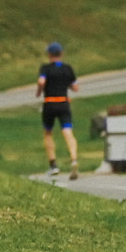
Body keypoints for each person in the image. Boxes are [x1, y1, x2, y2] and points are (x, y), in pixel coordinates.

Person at [37, 42, 81, 179]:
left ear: (49, 54)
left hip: (50, 103)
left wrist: (39, 91)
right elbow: (75, 87)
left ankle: (53, 165)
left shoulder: (45, 68)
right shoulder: (67, 69)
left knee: (48, 132)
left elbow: (41, 82)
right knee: (68, 132)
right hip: (63, 102)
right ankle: (74, 159)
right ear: (61, 54)